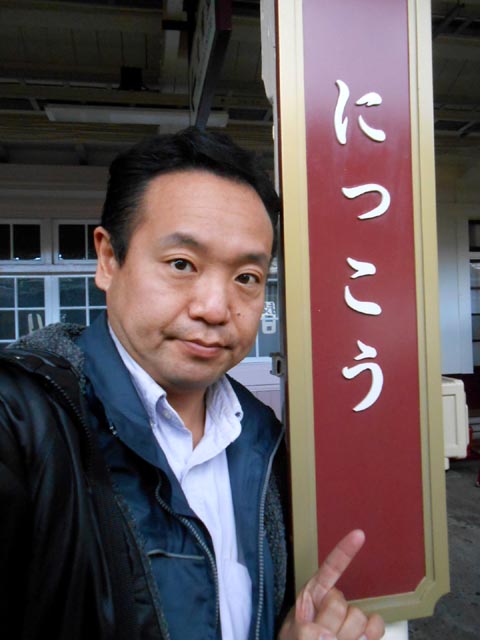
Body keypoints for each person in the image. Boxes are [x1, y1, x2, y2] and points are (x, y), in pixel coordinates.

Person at [0, 127, 384, 640]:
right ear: (109, 259)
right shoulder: (21, 423)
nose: (215, 309)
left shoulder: (259, 435)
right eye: (182, 264)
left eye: (247, 277)